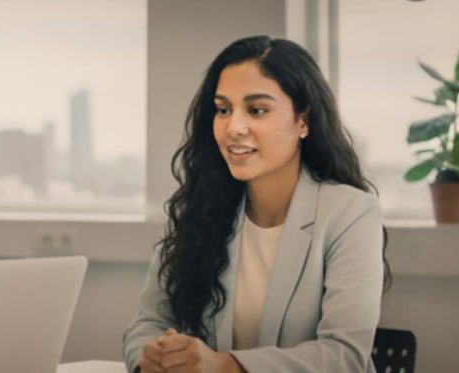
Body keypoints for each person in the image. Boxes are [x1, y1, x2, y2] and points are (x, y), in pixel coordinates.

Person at [123, 35, 386, 373]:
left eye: (257, 110)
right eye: (223, 110)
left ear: (303, 121)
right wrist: (153, 358)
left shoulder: (351, 212)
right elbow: (148, 323)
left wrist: (226, 366)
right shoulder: (201, 208)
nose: (234, 127)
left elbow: (344, 356)